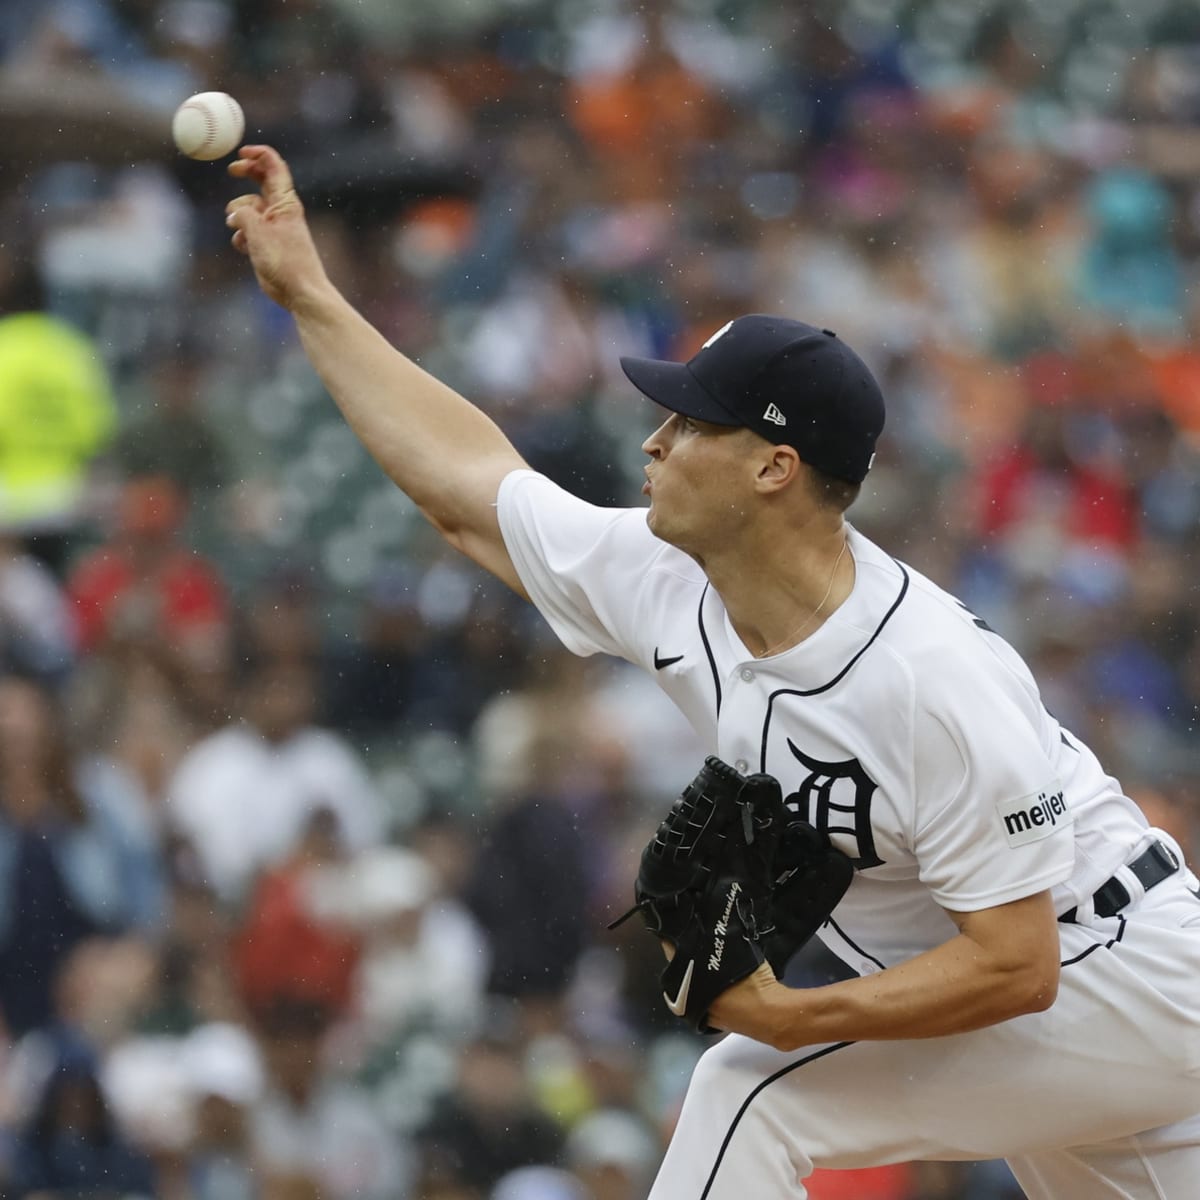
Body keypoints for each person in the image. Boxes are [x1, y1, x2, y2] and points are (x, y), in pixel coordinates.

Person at [225, 144, 1200, 1198]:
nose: (653, 442)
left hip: (1118, 966)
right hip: (1064, 1009)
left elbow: (1017, 964)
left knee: (750, 1086)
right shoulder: (668, 576)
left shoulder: (930, 676)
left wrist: (795, 1015)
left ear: (774, 468)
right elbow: (469, 489)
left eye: (689, 423)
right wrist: (312, 297)